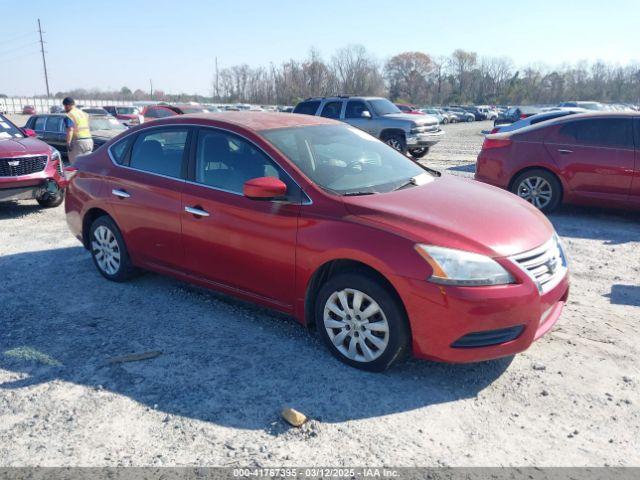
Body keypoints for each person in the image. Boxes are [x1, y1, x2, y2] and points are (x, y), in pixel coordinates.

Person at [62, 97, 93, 163]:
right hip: (89, 141)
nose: (64, 108)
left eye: (65, 106)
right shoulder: (84, 114)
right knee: (86, 163)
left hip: (78, 142)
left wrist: (68, 143)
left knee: (75, 165)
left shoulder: (69, 115)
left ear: (68, 105)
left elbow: (70, 130)